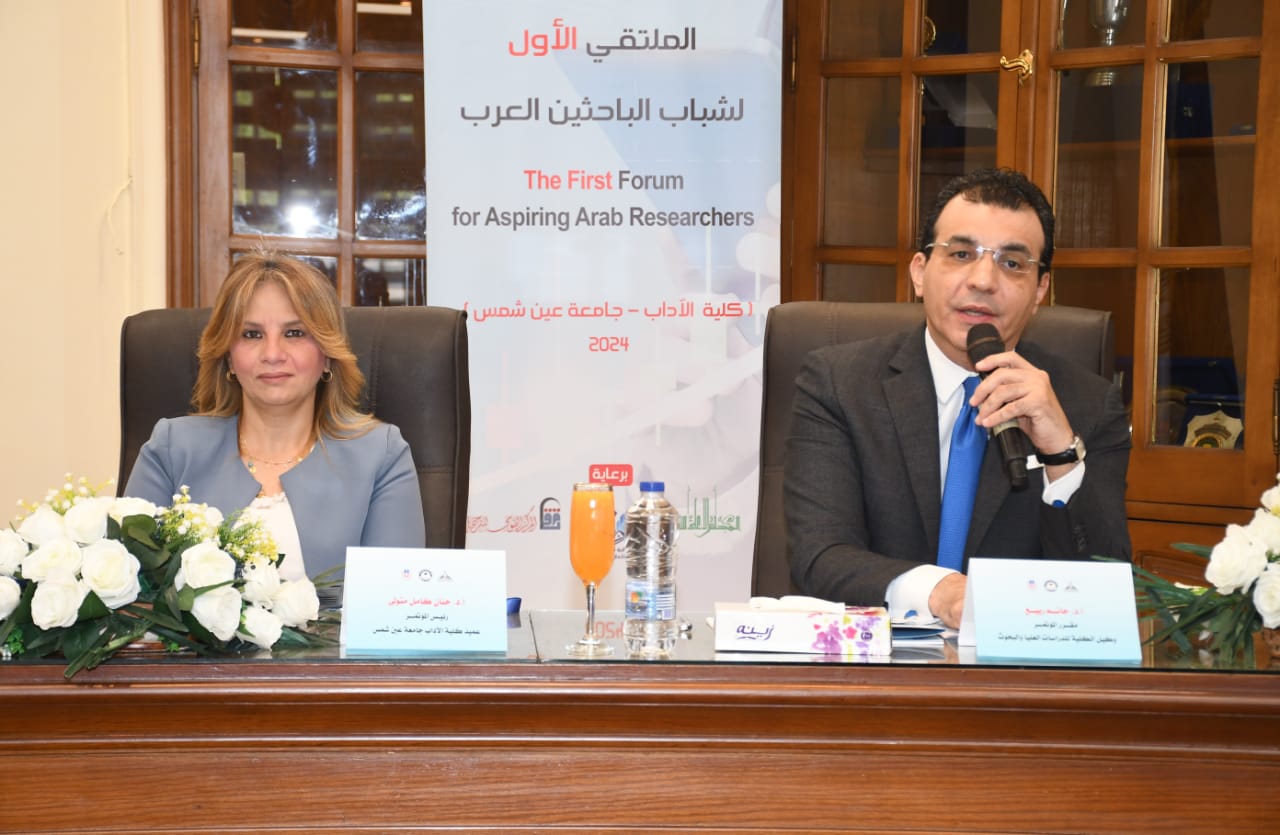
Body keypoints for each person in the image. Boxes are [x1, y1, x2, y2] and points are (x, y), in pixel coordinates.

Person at [783, 167, 1131, 629]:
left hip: (1013, 667)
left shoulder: (1088, 405)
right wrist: (941, 593)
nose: (983, 280)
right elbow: (819, 555)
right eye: (961, 254)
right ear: (920, 272)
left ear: (1039, 291)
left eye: (1012, 263)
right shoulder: (839, 384)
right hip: (870, 661)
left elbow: (1104, 591)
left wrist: (1060, 454)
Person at [125, 251, 425, 592]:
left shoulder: (381, 455)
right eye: (251, 335)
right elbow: (131, 599)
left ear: (328, 353)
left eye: (294, 333)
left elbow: (395, 604)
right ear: (229, 357)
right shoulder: (171, 449)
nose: (272, 354)